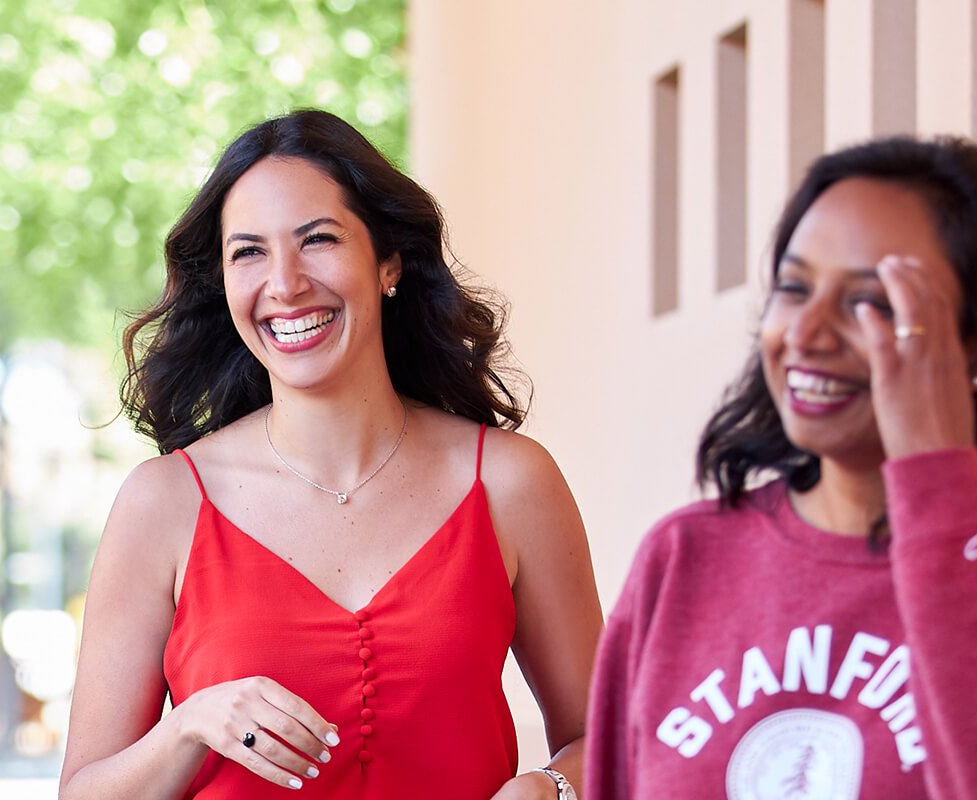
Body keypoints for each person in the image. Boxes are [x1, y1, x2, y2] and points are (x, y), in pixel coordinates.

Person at [583, 136, 977, 799]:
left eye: (872, 302)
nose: (806, 333)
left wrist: (936, 474)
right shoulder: (682, 556)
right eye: (794, 288)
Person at [60, 109, 604, 800]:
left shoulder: (510, 482)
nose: (284, 284)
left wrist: (548, 788)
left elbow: (614, 742)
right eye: (248, 252)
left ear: (388, 263)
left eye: (317, 240)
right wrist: (190, 726)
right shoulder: (163, 501)